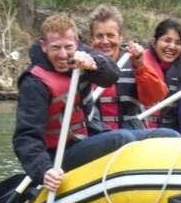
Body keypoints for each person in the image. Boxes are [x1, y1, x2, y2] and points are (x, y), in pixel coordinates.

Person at [13, 13, 136, 192]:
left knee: (165, 134)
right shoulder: (34, 82)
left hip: (87, 139)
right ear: (44, 46)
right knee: (123, 138)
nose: (63, 55)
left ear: (77, 43)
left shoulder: (84, 55)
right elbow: (25, 137)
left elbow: (112, 75)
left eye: (68, 47)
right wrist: (44, 171)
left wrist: (95, 66)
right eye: (56, 48)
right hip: (57, 155)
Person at [88, 4, 179, 140]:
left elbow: (154, 97)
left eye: (110, 35)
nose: (105, 41)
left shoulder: (133, 61)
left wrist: (140, 67)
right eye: (99, 36)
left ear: (120, 37)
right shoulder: (83, 63)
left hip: (131, 133)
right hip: (96, 136)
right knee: (122, 137)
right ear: (92, 38)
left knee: (171, 135)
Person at [143, 18, 181, 137]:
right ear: (154, 43)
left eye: (178, 43)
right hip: (142, 135)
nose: (172, 46)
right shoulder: (138, 66)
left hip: (173, 138)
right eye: (167, 40)